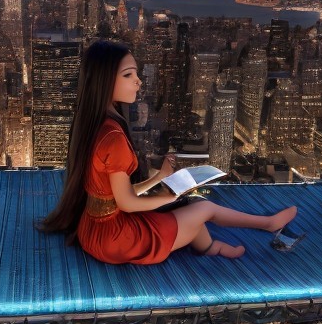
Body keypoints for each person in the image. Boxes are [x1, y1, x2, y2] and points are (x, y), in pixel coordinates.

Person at [38, 39, 297, 263]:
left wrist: (157, 180)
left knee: (190, 207)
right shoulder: (113, 137)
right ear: (106, 80)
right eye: (128, 75)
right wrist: (170, 198)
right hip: (115, 240)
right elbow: (127, 204)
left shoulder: (96, 124)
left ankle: (211, 247)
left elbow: (114, 196)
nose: (138, 81)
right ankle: (268, 224)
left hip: (92, 230)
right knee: (203, 208)